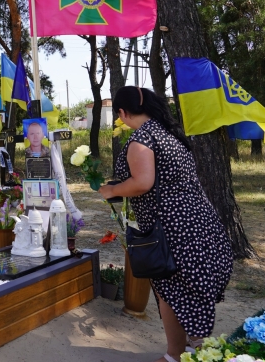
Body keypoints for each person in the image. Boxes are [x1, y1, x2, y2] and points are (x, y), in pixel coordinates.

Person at [98, 86, 233, 362]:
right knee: (184, 290)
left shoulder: (141, 139)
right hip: (198, 222)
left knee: (175, 291)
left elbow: (142, 183)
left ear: (122, 112)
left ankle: (193, 353)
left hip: (173, 230)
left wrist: (111, 191)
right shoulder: (169, 134)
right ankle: (183, 353)